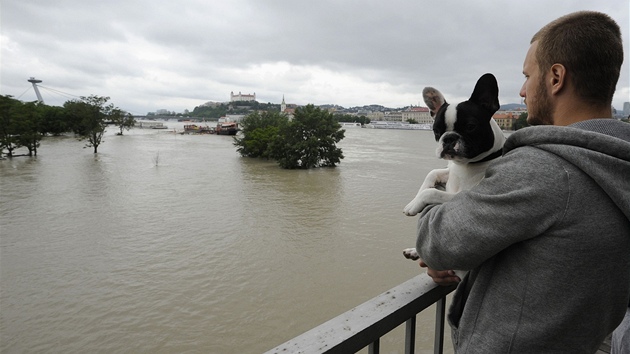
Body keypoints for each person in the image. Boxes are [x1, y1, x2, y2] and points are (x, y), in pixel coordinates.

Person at [414, 11, 630, 353]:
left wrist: (437, 229)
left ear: (556, 77)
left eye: (528, 75)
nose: (522, 90)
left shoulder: (543, 171)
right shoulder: (618, 163)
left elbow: (436, 241)